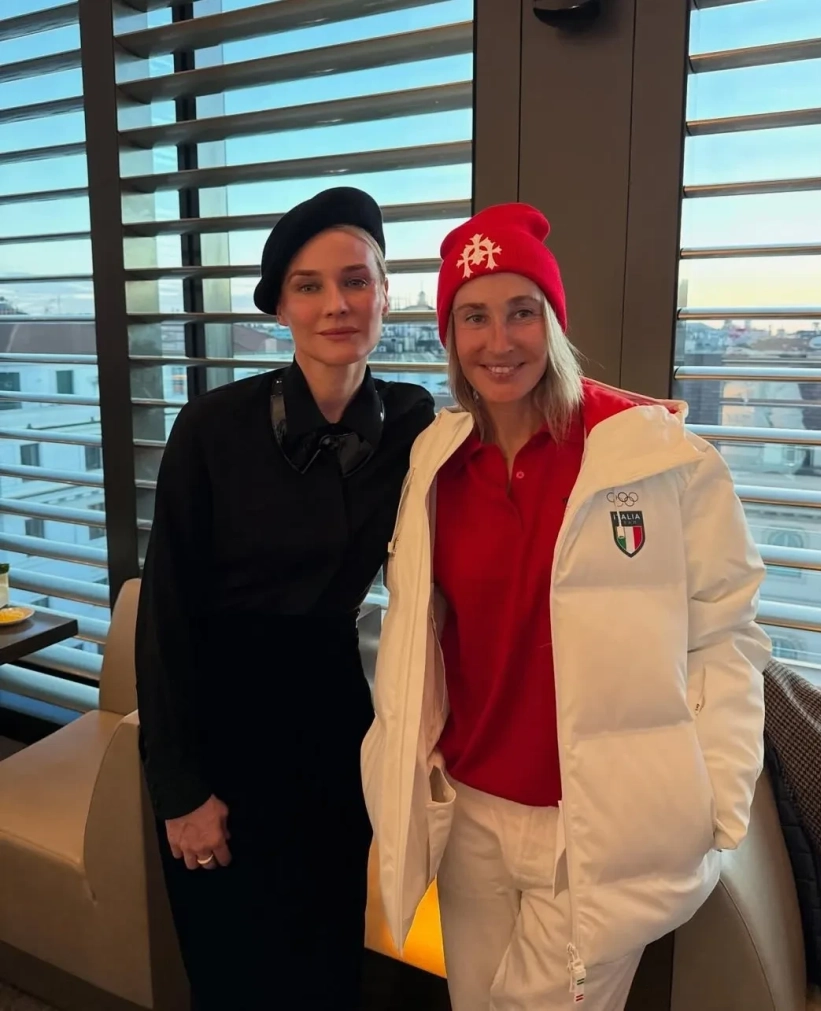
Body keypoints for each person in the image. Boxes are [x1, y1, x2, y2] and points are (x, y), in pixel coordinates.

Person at [361, 202, 770, 1010]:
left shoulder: (656, 458)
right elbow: (418, 632)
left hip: (595, 822)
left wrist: (714, 800)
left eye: (521, 310)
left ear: (553, 319)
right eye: (473, 316)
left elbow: (725, 628)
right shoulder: (438, 462)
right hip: (471, 812)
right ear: (450, 335)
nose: (499, 340)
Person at [135, 186, 434, 1010]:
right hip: (221, 721)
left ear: (384, 293)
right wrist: (180, 789)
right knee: (233, 969)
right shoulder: (212, 427)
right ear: (280, 308)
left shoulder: (413, 422)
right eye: (309, 285)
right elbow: (165, 615)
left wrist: (631, 423)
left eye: (355, 280)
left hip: (335, 718)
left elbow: (521, 416)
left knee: (330, 954)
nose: (336, 303)